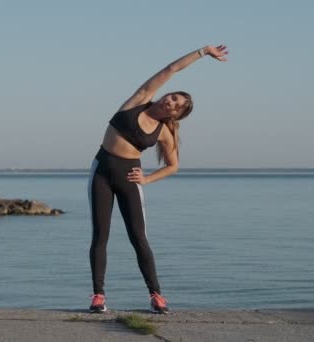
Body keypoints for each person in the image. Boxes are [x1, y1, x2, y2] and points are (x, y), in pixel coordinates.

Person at [87, 44, 228, 314]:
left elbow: (173, 166)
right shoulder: (139, 100)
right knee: (100, 236)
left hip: (130, 178)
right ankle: (98, 295)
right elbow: (171, 69)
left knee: (139, 238)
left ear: (177, 115)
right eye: (173, 96)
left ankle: (156, 295)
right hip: (101, 172)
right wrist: (203, 52)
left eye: (176, 104)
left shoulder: (165, 132)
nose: (170, 101)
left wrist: (147, 180)